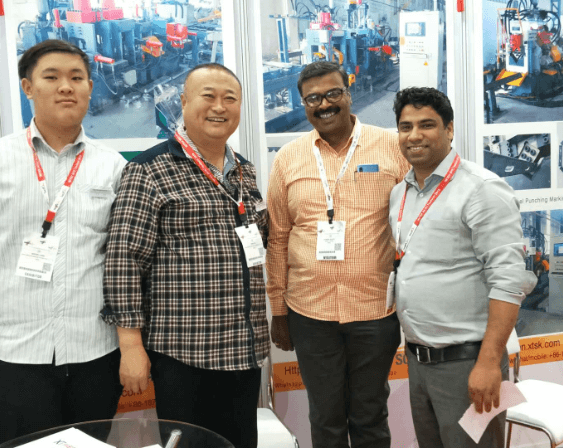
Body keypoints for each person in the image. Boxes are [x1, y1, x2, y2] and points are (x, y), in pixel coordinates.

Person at [102, 63, 269, 448]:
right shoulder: (149, 170)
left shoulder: (243, 170)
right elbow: (124, 259)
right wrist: (131, 346)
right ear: (184, 102)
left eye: (230, 98)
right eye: (208, 96)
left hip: (243, 348)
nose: (219, 107)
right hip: (184, 353)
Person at [0, 39, 126, 445]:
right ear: (28, 87)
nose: (66, 87)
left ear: (90, 87)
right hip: (15, 354)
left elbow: (123, 262)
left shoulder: (113, 166)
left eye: (77, 78)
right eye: (52, 77)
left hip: (95, 353)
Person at [266, 61, 409, 448]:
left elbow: (414, 223)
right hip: (309, 313)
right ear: (303, 104)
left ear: (349, 93)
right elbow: (278, 238)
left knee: (369, 415)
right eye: (313, 98)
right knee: (325, 417)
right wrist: (278, 311)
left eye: (333, 94)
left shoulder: (391, 147)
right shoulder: (288, 158)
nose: (324, 104)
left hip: (375, 310)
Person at [389, 87, 537, 448]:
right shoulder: (400, 193)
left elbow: (509, 282)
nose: (414, 135)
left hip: (468, 363)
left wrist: (488, 363)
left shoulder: (482, 189)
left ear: (449, 129)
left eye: (427, 125)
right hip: (420, 362)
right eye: (406, 127)